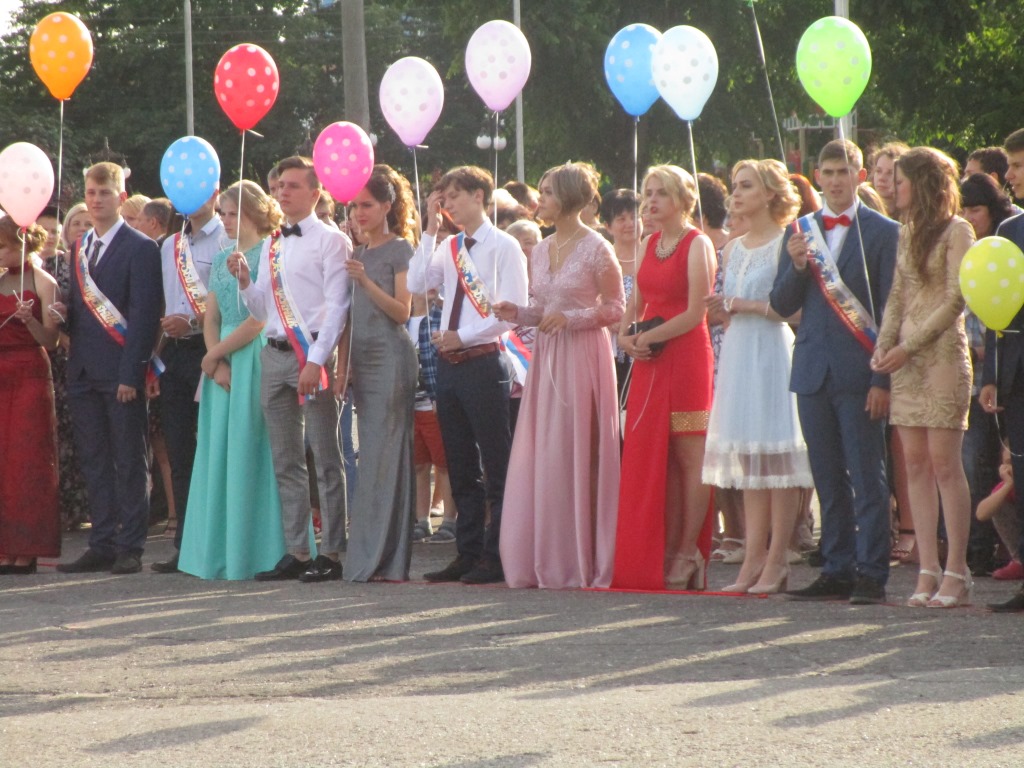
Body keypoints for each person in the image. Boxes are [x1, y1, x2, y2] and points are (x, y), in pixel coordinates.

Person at [771, 140, 899, 604]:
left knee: (867, 476)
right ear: (817, 177)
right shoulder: (800, 229)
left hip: (862, 371)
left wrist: (882, 378)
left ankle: (872, 572)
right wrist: (798, 265)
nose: (835, 180)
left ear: (860, 176)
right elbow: (780, 303)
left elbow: (891, 312)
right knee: (827, 477)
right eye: (827, 173)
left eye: (843, 172)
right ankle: (837, 567)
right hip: (812, 370)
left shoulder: (884, 232)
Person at [494, 162, 624, 589]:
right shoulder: (539, 248)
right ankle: (550, 552)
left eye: (547, 192)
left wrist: (572, 318)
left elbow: (616, 308)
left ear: (567, 197)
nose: (540, 199)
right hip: (547, 357)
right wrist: (519, 313)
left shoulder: (597, 247)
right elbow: (543, 309)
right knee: (548, 450)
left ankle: (584, 555)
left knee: (579, 447)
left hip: (584, 355)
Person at [230, 156, 349, 583]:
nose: (283, 192)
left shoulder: (332, 241)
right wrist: (246, 281)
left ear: (315, 193)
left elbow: (338, 306)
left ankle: (332, 551)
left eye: (293, 186)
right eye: (280, 185)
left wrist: (316, 361)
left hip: (311, 353)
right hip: (274, 352)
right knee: (286, 460)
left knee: (325, 458)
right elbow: (263, 309)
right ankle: (298, 550)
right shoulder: (274, 243)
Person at [408, 166, 529, 584]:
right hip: (450, 365)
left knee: (496, 463)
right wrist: (429, 228)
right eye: (444, 198)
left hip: (484, 360)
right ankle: (468, 551)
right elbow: (417, 282)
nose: (449, 204)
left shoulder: (505, 246)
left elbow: (511, 313)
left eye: (455, 195)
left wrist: (462, 336)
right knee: (460, 464)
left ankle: (498, 555)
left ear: (479, 196)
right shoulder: (450, 245)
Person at [870, 147, 975, 607]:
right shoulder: (907, 229)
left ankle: (957, 570)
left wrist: (907, 346)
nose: (893, 188)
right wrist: (883, 344)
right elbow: (897, 294)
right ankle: (927, 568)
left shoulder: (958, 230)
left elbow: (956, 299)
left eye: (900, 180)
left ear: (923, 182)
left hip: (942, 356)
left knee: (945, 464)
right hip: (904, 360)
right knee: (913, 463)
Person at [703, 160, 813, 594]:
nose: (736, 193)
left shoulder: (789, 240)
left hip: (771, 351)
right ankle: (752, 559)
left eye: (746, 185)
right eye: (735, 186)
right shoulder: (731, 248)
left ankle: (777, 559)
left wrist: (741, 305)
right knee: (750, 460)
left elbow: (796, 311)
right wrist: (721, 311)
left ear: (770, 193)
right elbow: (730, 309)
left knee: (776, 458)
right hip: (739, 352)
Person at [176, 181, 289, 579]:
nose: (225, 219)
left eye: (232, 213)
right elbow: (212, 316)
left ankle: (254, 550)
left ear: (254, 213)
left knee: (249, 449)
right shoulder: (223, 255)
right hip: (221, 361)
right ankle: (216, 550)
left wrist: (212, 356)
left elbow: (259, 319)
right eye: (223, 212)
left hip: (253, 356)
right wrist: (214, 360)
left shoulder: (271, 252)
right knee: (217, 452)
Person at [56, 162, 164, 575]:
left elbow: (144, 316)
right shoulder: (79, 247)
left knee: (129, 460)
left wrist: (131, 374)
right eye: (91, 192)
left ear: (121, 197)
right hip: (83, 370)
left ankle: (130, 545)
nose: (96, 199)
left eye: (104, 192)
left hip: (120, 372)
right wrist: (61, 313)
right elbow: (80, 307)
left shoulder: (141, 247)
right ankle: (100, 542)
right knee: (95, 461)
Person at [613, 165, 716, 591]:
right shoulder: (648, 242)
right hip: (649, 358)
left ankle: (690, 551)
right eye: (648, 193)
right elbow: (635, 301)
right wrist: (624, 336)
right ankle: (664, 547)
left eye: (661, 193)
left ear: (682, 199)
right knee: (657, 456)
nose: (651, 201)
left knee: (690, 458)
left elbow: (696, 313)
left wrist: (648, 337)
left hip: (687, 358)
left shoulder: (698, 243)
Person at [335, 164, 418, 582]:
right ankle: (369, 553)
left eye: (366, 205)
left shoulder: (400, 249)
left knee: (388, 457)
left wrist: (366, 281)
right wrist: (341, 367)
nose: (359, 213)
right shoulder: (358, 254)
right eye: (354, 206)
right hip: (362, 363)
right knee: (369, 458)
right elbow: (348, 318)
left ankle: (387, 557)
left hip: (391, 358)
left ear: (387, 206)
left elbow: (403, 312)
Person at [149, 189, 225, 574]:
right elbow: (165, 304)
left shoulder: (226, 237)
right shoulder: (170, 245)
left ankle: (216, 540)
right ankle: (185, 545)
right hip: (174, 353)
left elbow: (231, 304)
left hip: (211, 350)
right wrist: (153, 360)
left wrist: (193, 321)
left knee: (213, 447)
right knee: (180, 452)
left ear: (214, 192)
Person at [0, 218, 61, 574]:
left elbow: (51, 340)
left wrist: (30, 321)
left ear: (21, 245)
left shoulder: (43, 281)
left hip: (30, 374)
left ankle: (28, 548)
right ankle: (5, 546)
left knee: (27, 460)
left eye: (2, 246)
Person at [981, 127, 1024, 612]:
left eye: (1016, 165)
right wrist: (991, 374)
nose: (1009, 175)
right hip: (1018, 375)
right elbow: (997, 314)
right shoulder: (1008, 234)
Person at [600, 188, 640, 396]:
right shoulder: (600, 259)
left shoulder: (654, 254)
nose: (630, 224)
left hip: (644, 345)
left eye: (634, 217)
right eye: (621, 219)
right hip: (609, 349)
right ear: (608, 226)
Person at [868, 141, 909, 217]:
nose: (882, 178)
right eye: (878, 171)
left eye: (890, 173)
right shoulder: (862, 206)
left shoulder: (911, 216)